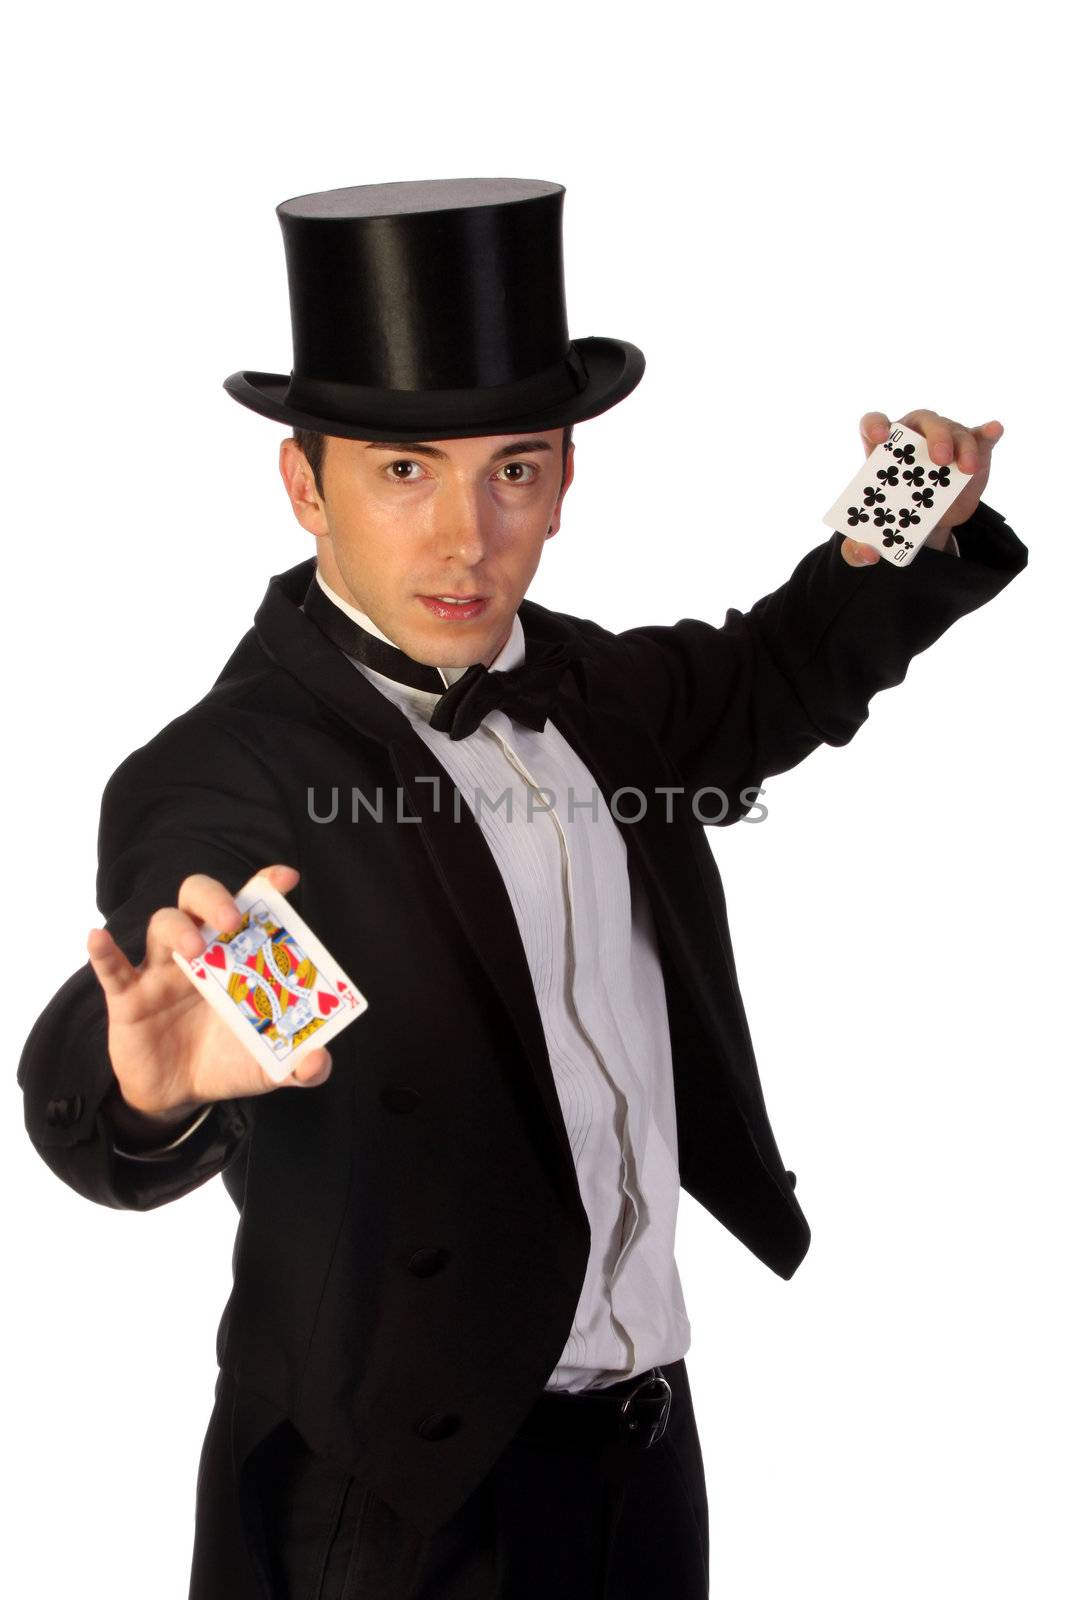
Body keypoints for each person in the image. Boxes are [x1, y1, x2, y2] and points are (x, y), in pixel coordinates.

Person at [17, 177, 1027, 1600]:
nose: (465, 539)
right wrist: (146, 1088)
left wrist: (898, 530)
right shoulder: (233, 775)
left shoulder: (588, 691)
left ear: (563, 478)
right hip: (397, 1506)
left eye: (514, 468)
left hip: (644, 1462)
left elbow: (765, 679)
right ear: (306, 485)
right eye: (403, 472)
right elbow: (148, 995)